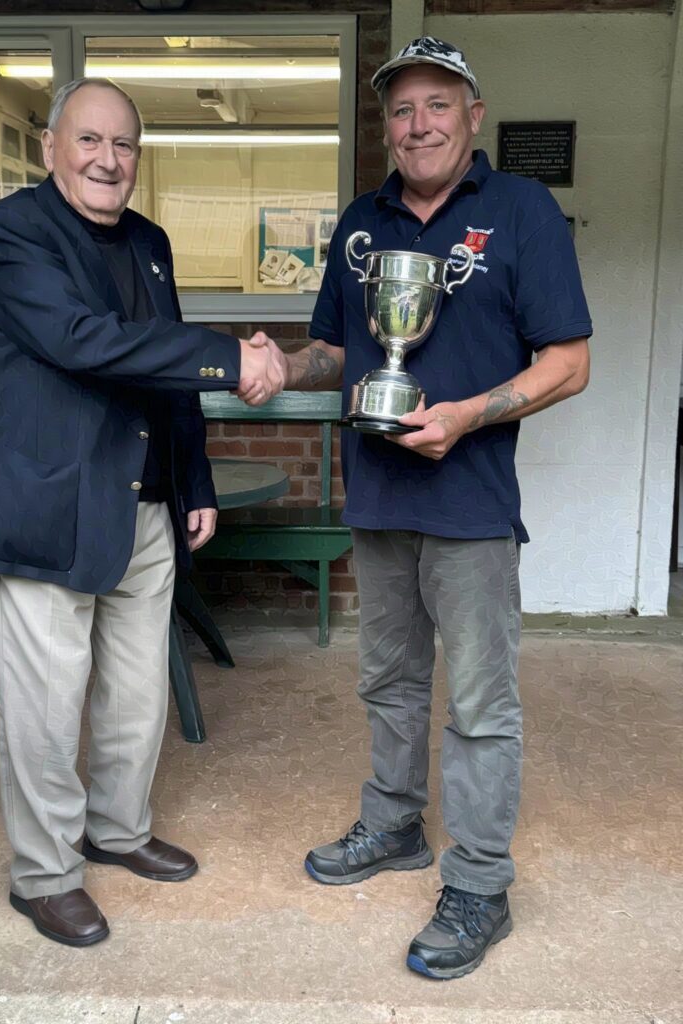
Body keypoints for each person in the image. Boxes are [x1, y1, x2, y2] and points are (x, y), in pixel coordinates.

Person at [255, 37, 591, 979]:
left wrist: (469, 416)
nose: (419, 124)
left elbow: (570, 361)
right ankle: (394, 823)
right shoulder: (361, 222)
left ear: (472, 115)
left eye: (438, 104)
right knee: (389, 682)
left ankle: (480, 883)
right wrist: (286, 364)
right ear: (387, 126)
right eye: (402, 109)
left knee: (482, 704)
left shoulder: (522, 211)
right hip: (378, 493)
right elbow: (335, 350)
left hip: (473, 501)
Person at [0, 77, 284, 947]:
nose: (109, 160)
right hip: (47, 507)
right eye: (90, 141)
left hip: (146, 502)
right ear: (50, 148)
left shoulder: (148, 241)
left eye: (125, 145)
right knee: (45, 706)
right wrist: (233, 355)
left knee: (138, 694)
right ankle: (43, 875)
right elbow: (82, 341)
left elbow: (162, 368)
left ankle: (118, 831)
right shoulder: (13, 232)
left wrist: (199, 482)